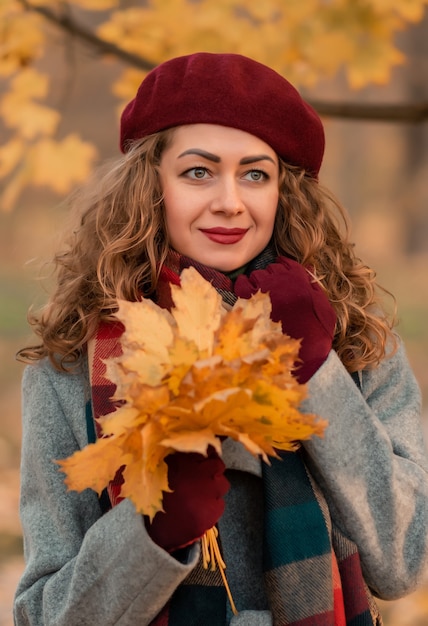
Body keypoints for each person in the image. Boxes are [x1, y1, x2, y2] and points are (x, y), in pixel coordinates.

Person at [14, 52, 428, 626]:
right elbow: (41, 614)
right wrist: (151, 536)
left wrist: (316, 373)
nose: (230, 201)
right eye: (198, 171)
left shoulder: (355, 342)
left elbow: (404, 562)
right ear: (150, 185)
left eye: (255, 173)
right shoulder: (68, 371)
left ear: (285, 192)